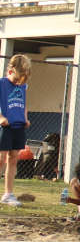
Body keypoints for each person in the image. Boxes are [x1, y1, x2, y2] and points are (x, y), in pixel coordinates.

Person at [0, 54, 32, 206]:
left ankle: (8, 194)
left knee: (13, 159)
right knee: (1, 159)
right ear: (11, 70)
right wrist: (1, 117)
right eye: (17, 78)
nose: (19, 82)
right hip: (5, 126)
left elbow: (24, 104)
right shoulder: (2, 83)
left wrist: (25, 118)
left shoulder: (23, 86)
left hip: (18, 126)